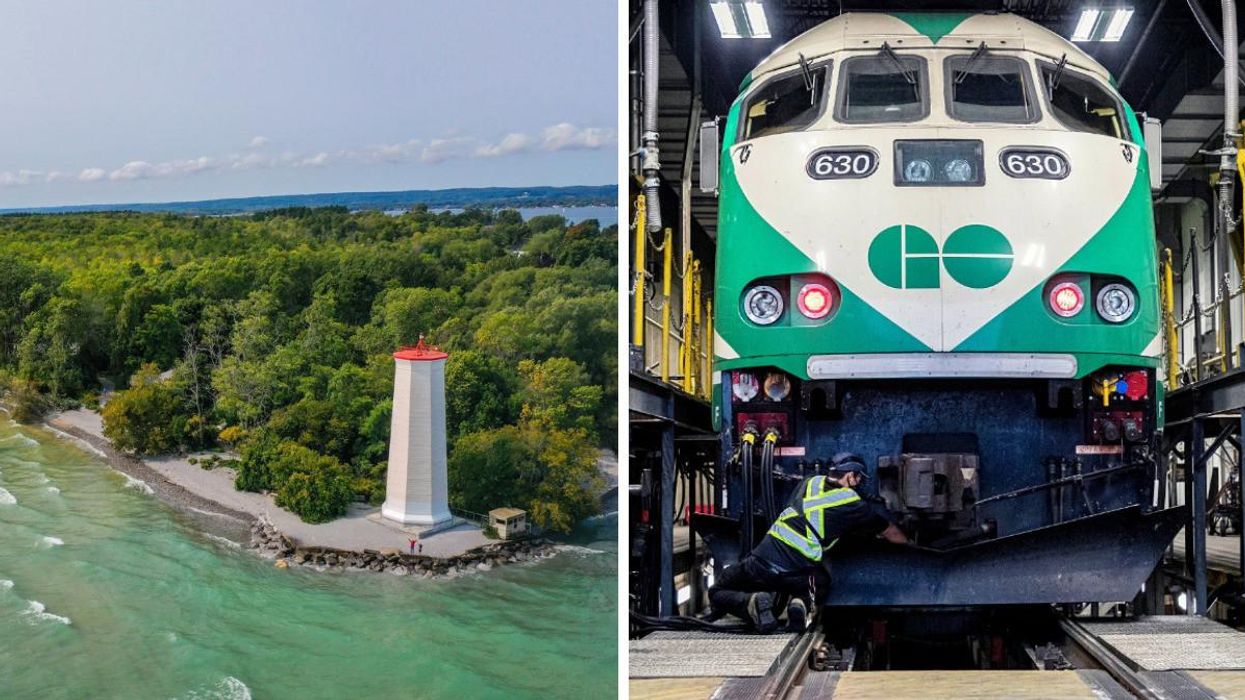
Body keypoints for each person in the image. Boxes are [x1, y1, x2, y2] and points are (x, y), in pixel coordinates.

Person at [708, 452, 908, 633]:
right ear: (849, 475)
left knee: (718, 590)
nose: (858, 483)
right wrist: (909, 547)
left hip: (759, 564)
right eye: (858, 478)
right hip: (795, 575)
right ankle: (800, 604)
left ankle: (750, 602)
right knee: (820, 583)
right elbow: (891, 532)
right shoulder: (855, 505)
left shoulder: (808, 482)